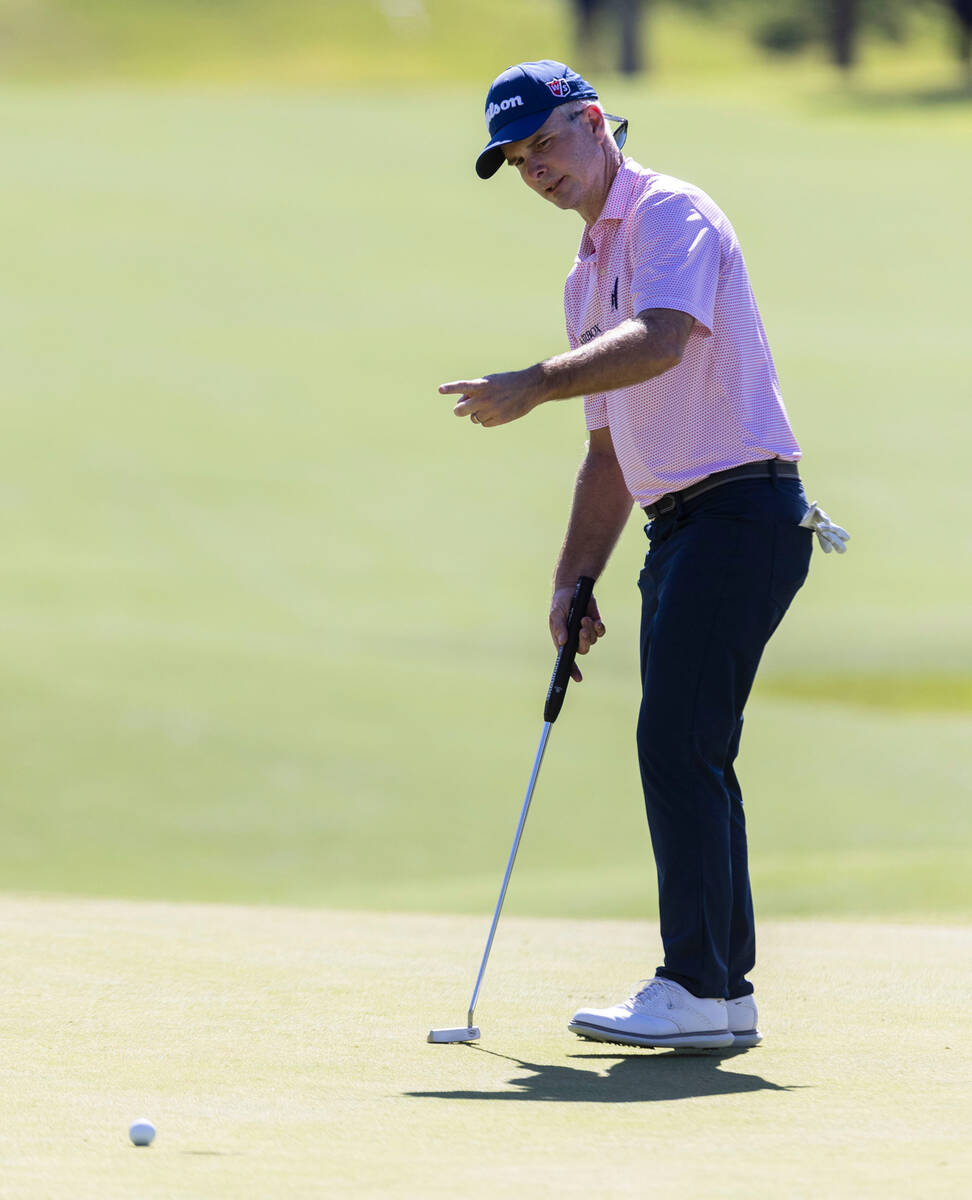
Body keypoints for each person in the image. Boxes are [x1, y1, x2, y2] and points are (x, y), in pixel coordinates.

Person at [439, 60, 848, 1051]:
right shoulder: (584, 275)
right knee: (691, 746)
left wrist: (533, 381)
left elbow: (663, 340)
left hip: (744, 514)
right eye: (515, 158)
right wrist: (572, 577)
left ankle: (699, 988)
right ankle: (721, 993)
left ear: (592, 122)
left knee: (677, 743)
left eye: (543, 144)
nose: (534, 169)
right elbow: (609, 448)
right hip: (681, 526)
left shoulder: (672, 214)